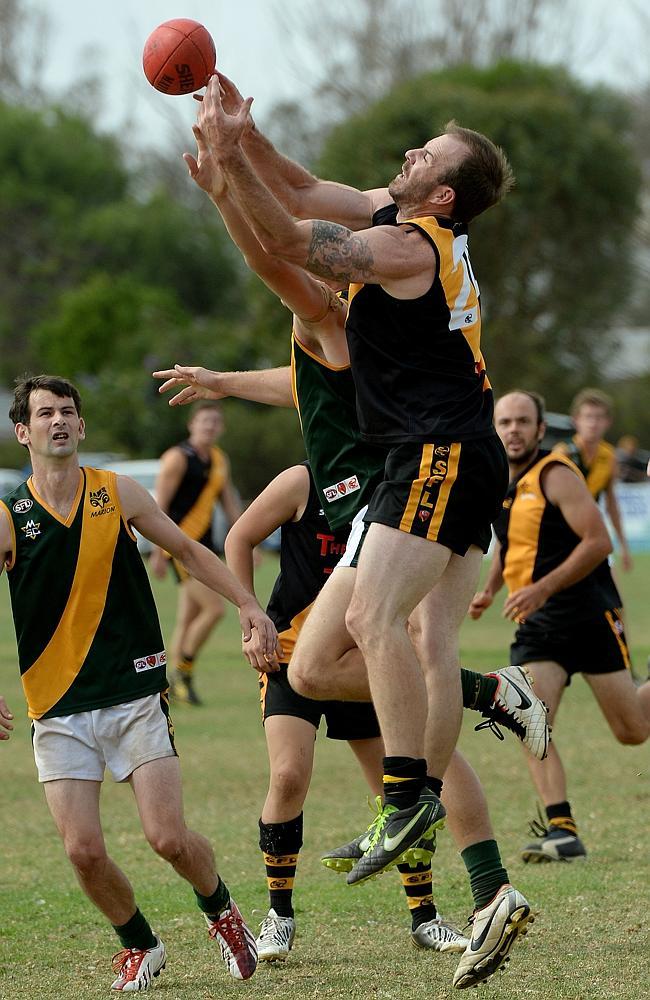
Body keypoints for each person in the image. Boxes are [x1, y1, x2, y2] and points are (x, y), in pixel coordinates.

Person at [155, 93, 540, 989]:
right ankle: (486, 728)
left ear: (442, 197)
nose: (407, 152)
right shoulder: (390, 218)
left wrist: (224, 176)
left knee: (387, 626)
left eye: (425, 155)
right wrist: (238, 137)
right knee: (324, 660)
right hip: (428, 459)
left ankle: (408, 800)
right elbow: (293, 190)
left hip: (439, 455)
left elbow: (285, 243)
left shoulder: (404, 250)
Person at [0, 375, 279, 990]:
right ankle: (141, 944)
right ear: (23, 432)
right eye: (44, 414)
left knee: (168, 838)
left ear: (82, 426)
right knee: (83, 852)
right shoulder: (9, 515)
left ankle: (222, 911)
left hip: (133, 694)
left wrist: (246, 604)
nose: (58, 422)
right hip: (58, 705)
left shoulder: (117, 493)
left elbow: (186, 550)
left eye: (67, 412)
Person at [225, 461, 470, 959]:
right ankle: (278, 917)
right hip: (289, 654)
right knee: (289, 776)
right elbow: (238, 537)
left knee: (396, 793)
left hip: (365, 659)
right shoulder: (302, 478)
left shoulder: (401, 481)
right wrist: (249, 617)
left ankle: (425, 916)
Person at [470, 390, 650, 863]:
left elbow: (598, 541)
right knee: (530, 718)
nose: (513, 429)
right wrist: (490, 588)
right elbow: (509, 543)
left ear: (540, 429)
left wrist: (543, 588)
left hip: (589, 615)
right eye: (505, 421)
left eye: (522, 421)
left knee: (632, 731)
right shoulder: (498, 481)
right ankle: (562, 829)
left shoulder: (555, 475)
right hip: (538, 625)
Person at [150, 401, 242, 705]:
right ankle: (183, 674)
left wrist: (246, 538)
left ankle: (172, 686)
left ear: (222, 428)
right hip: (178, 547)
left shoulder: (218, 460)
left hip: (205, 549)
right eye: (204, 421)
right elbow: (157, 508)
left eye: (215, 422)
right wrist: (156, 551)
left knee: (188, 619)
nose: (210, 427)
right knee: (214, 610)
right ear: (192, 424)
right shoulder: (177, 458)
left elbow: (229, 503)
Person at [554, 388, 632, 571]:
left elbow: (611, 503)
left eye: (599, 417)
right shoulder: (563, 453)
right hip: (560, 536)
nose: (593, 423)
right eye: (588, 416)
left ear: (608, 422)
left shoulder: (609, 456)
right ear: (576, 420)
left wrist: (623, 546)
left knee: (613, 597)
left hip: (592, 534)